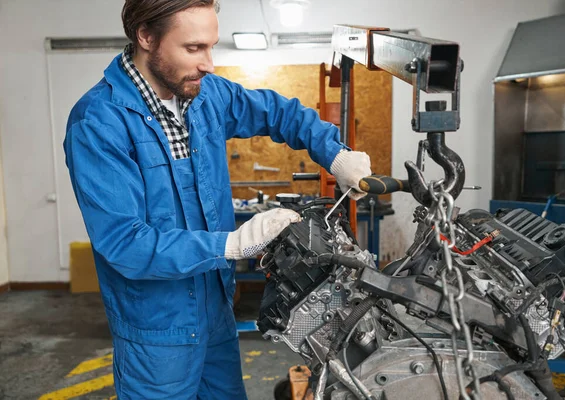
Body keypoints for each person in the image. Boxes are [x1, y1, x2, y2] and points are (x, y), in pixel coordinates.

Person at [64, 0, 372, 398]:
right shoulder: (99, 122)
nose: (209, 63)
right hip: (158, 331)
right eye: (194, 48)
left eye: (212, 46)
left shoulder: (206, 95)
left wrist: (334, 152)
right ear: (146, 36)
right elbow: (125, 243)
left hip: (216, 313)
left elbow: (277, 112)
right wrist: (231, 244)